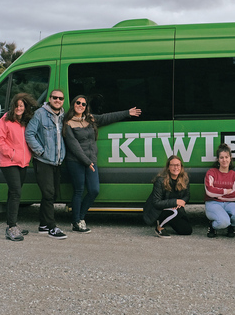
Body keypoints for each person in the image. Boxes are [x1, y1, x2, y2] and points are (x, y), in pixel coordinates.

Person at [63, 95, 142, 234]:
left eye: (84, 104)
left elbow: (107, 117)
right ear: (73, 104)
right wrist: (87, 163)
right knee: (79, 191)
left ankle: (80, 217)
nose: (80, 105)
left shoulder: (90, 119)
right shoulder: (68, 123)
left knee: (94, 190)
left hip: (90, 161)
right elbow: (74, 147)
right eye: (78, 102)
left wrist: (127, 113)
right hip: (76, 162)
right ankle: (76, 221)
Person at [25, 89, 68, 239]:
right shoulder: (40, 114)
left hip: (57, 161)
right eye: (54, 97)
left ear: (63, 101)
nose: (57, 100)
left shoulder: (63, 115)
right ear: (49, 99)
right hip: (43, 161)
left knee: (52, 194)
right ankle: (52, 227)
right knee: (49, 193)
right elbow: (29, 133)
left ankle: (43, 224)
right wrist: (40, 151)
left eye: (60, 98)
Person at [0, 93, 37, 241]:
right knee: (16, 192)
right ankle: (11, 227)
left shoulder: (25, 121)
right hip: (9, 162)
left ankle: (12, 224)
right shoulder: (5, 120)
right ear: (13, 106)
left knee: (13, 193)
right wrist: (12, 154)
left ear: (25, 108)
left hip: (23, 163)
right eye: (17, 106)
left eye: (22, 106)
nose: (19, 108)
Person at [204, 143, 235, 238]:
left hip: (228, 203)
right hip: (213, 203)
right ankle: (213, 226)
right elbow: (209, 191)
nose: (224, 160)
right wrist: (225, 191)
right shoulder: (211, 172)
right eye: (221, 157)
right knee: (223, 221)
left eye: (226, 157)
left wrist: (217, 194)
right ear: (218, 160)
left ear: (230, 158)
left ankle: (231, 226)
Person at [143, 156, 191, 238]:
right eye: (173, 165)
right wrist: (175, 202)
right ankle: (159, 227)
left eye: (178, 165)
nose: (176, 167)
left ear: (181, 167)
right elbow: (156, 202)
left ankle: (169, 220)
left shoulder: (184, 179)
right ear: (168, 167)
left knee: (186, 231)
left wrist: (182, 201)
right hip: (159, 210)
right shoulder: (160, 181)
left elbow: (187, 195)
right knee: (176, 212)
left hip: (174, 208)